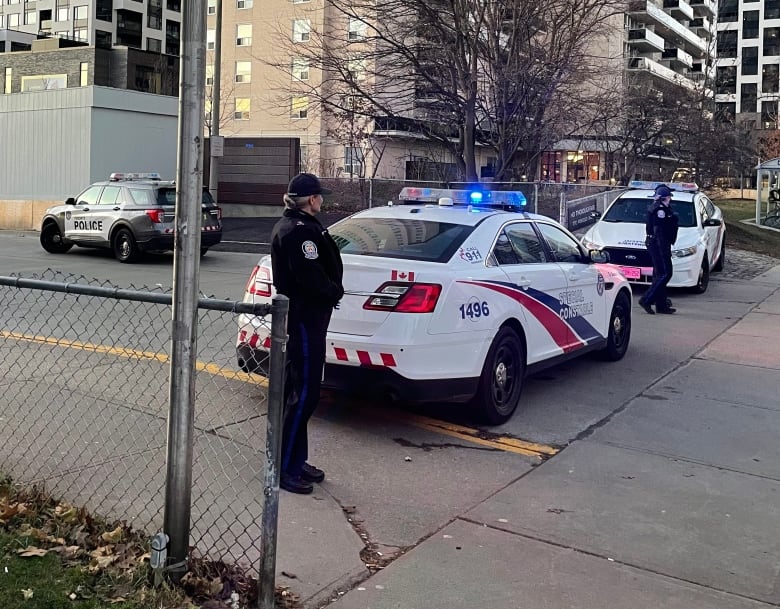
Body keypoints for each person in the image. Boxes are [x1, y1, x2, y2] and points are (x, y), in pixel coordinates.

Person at [271, 173, 344, 494]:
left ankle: (295, 459)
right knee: (304, 395)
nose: (322, 200)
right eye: (319, 196)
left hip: (311, 318)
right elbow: (311, 277)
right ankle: (284, 467)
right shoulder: (297, 233)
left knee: (301, 392)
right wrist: (334, 292)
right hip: (305, 318)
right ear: (311, 199)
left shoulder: (303, 227)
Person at [639, 184, 678, 315]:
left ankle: (661, 305)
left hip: (656, 243)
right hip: (659, 244)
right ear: (664, 198)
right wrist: (664, 250)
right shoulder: (659, 210)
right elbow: (659, 232)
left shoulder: (659, 208)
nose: (670, 199)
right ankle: (647, 299)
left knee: (659, 274)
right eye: (669, 197)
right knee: (666, 273)